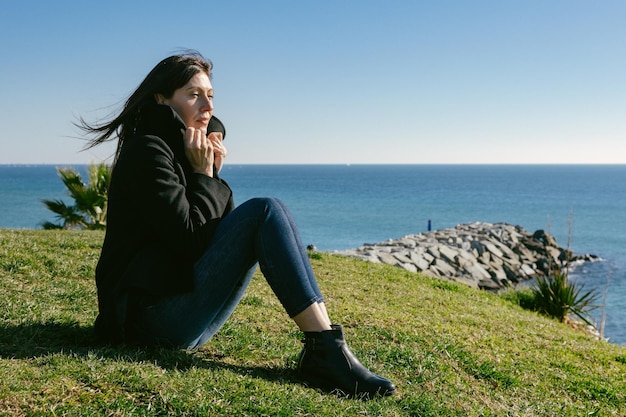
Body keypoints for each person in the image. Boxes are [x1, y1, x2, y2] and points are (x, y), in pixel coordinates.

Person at [81, 51, 395, 398]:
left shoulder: (184, 148)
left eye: (210, 95)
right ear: (161, 98)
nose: (207, 106)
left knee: (269, 212)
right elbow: (190, 241)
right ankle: (325, 351)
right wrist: (204, 174)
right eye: (193, 94)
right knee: (265, 210)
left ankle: (327, 344)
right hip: (144, 322)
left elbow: (218, 232)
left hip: (180, 317)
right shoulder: (148, 151)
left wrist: (210, 172)